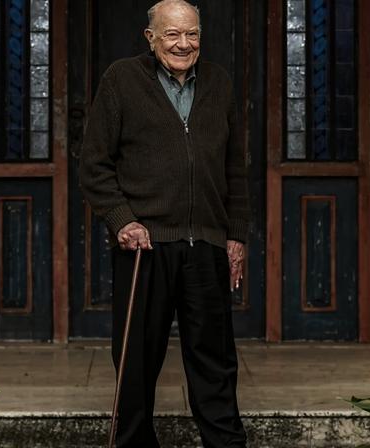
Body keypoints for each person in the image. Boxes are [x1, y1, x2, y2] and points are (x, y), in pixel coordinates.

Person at [79, 0, 249, 446]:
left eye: (191, 34)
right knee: (136, 364)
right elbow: (94, 164)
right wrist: (122, 220)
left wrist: (236, 235)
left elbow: (235, 168)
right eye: (172, 34)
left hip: (207, 246)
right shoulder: (122, 79)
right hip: (145, 247)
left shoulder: (219, 82)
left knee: (215, 365)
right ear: (150, 37)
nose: (183, 43)